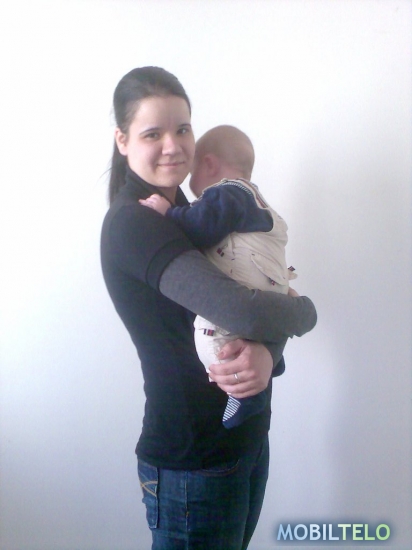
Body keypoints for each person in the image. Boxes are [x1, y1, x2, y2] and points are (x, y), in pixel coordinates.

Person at [100, 66, 317, 550]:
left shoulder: (196, 209)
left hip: (242, 442)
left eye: (182, 129)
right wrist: (305, 315)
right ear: (123, 140)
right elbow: (243, 311)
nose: (173, 146)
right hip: (193, 463)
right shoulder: (136, 224)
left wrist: (269, 353)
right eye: (152, 133)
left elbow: (258, 290)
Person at [140, 125, 298, 429]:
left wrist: (168, 213)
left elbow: (200, 227)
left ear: (209, 164)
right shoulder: (254, 199)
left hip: (250, 279)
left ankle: (245, 394)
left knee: (209, 336)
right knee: (246, 337)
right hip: (273, 285)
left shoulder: (225, 193)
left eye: (192, 171)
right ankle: (267, 361)